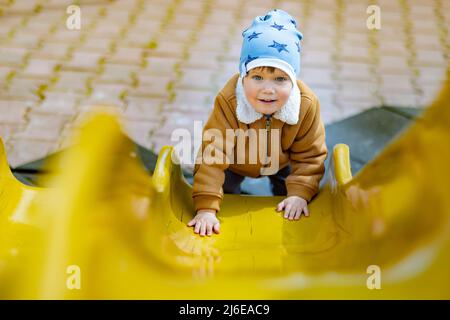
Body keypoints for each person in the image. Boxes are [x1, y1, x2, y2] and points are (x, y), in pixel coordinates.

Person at [188, 9, 327, 236]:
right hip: (235, 161)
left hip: (283, 161)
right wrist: (205, 207)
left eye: (280, 79)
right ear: (244, 77)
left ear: (293, 79)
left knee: (291, 201)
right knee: (224, 194)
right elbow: (213, 154)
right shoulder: (229, 100)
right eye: (257, 78)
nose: (268, 89)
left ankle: (290, 198)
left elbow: (310, 155)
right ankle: (224, 201)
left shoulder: (305, 104)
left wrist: (300, 193)